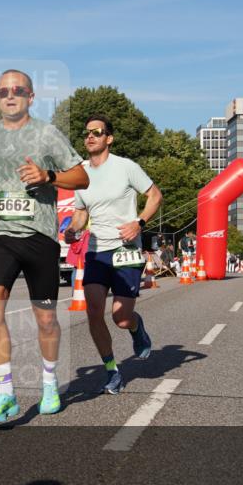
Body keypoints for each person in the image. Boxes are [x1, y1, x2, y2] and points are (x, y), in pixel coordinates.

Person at [0, 69, 88, 422]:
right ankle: (6, 393)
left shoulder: (47, 134)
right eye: (3, 91)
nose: (10, 95)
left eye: (17, 90)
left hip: (40, 237)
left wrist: (48, 176)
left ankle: (49, 384)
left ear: (30, 97)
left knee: (46, 318)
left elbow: (81, 176)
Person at [63, 116, 162, 395]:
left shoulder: (126, 167)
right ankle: (112, 371)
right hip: (96, 250)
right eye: (87, 133)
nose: (90, 136)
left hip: (125, 250)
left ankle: (136, 326)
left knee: (120, 317)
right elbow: (81, 213)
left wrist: (138, 223)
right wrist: (73, 230)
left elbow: (155, 195)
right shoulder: (81, 173)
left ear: (109, 138)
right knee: (93, 312)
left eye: (98, 132)